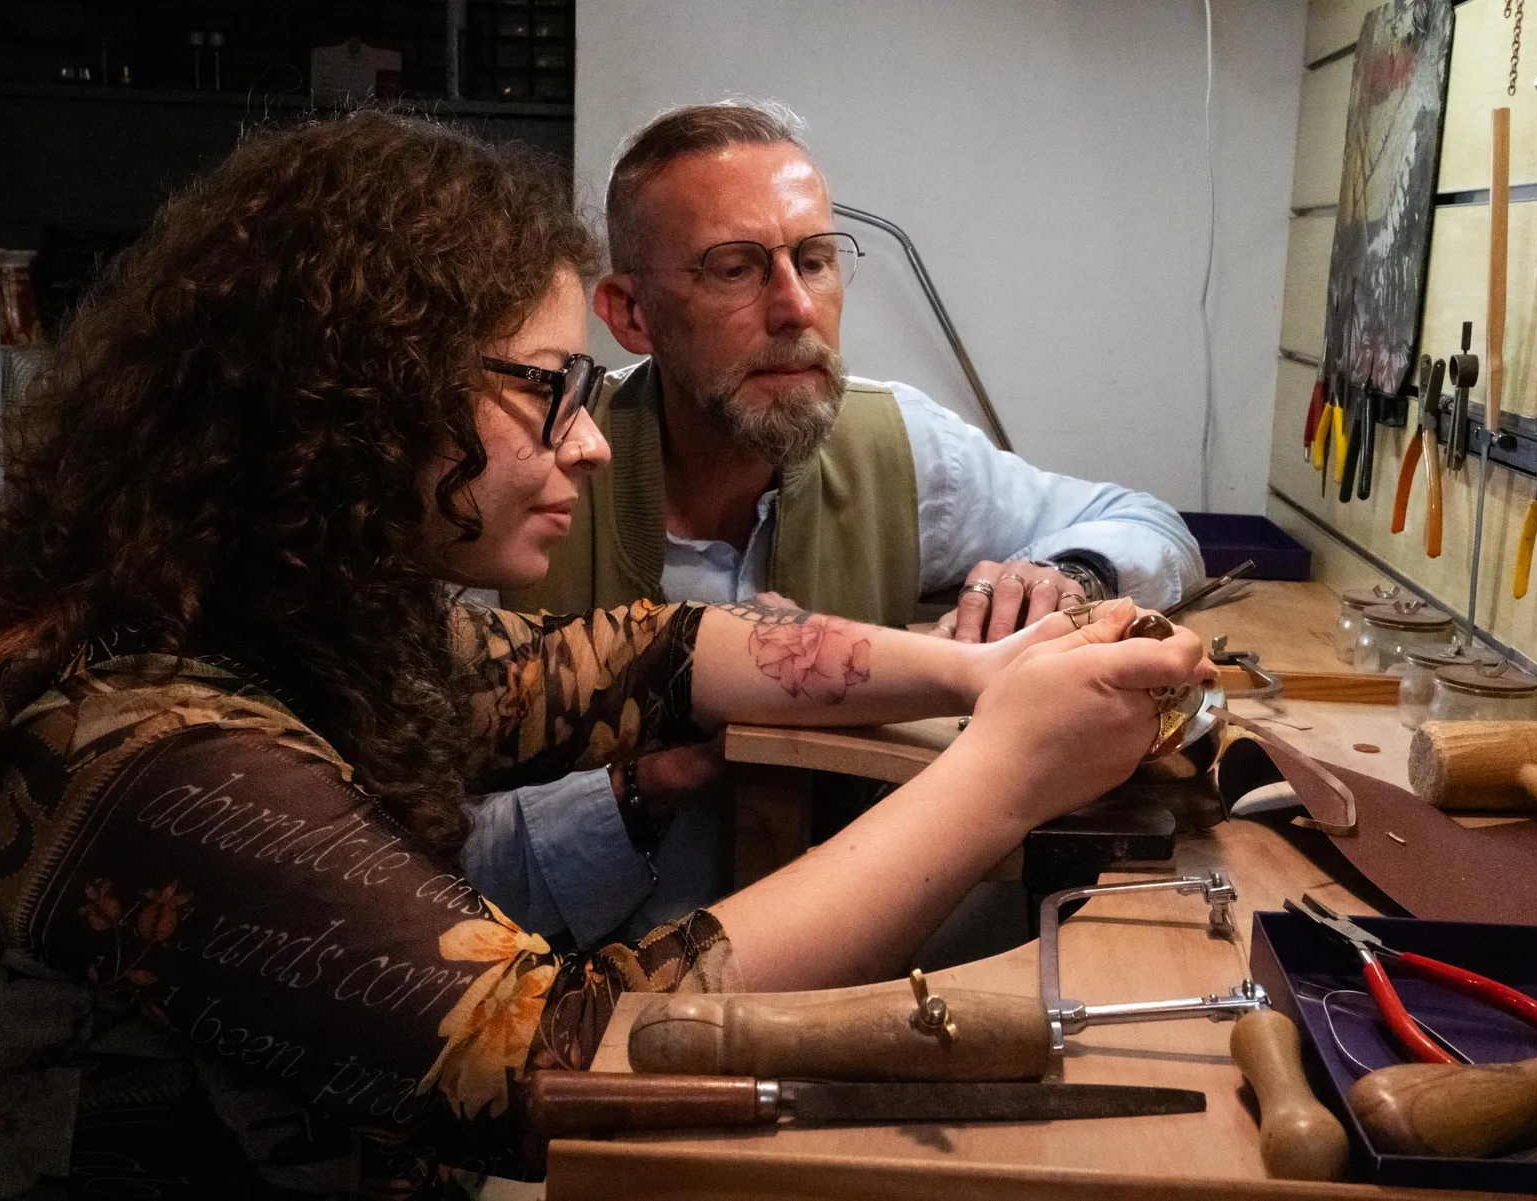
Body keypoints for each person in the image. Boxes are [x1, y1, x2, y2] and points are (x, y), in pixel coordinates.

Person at [0, 112, 1210, 1195]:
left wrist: (976, 675)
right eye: (549, 387)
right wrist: (1002, 775)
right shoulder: (142, 746)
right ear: (362, 398)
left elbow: (643, 654)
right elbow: (561, 1054)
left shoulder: (283, 611)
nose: (592, 439)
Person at [469, 100, 1206, 946]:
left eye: (814, 261)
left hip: (867, 971)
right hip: (590, 995)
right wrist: (649, 784)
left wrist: (1070, 575)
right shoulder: (514, 480)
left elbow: (1150, 526)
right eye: (735, 269)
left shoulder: (895, 443)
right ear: (631, 314)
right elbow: (429, 858)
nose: (795, 308)